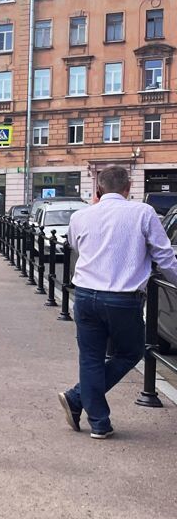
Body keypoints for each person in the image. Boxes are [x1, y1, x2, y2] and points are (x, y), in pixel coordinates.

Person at [59, 165, 177, 440]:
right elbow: (165, 258)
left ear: (98, 189)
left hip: (86, 295)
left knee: (90, 358)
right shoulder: (143, 213)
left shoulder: (81, 216)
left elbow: (75, 246)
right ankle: (78, 400)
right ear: (129, 187)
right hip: (123, 299)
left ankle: (94, 417)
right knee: (131, 352)